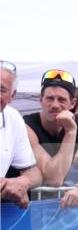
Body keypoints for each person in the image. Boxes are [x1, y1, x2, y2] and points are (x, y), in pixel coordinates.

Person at [18, 70, 78, 208]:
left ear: (72, 103)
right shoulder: (26, 126)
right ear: (41, 100)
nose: (55, 105)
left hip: (59, 208)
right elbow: (53, 179)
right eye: (49, 98)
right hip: (24, 207)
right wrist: (70, 132)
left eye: (62, 100)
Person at [1, 62, 42, 206]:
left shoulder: (13, 118)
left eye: (1, 89)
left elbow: (35, 173)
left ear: (12, 95)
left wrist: (21, 183)